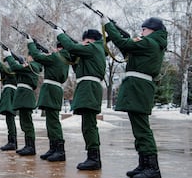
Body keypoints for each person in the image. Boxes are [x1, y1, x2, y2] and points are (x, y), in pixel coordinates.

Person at [102, 16, 167, 178]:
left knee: (142, 129)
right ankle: (144, 164)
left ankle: (152, 168)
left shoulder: (149, 42)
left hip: (139, 88)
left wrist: (108, 26)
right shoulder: (150, 44)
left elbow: (124, 44)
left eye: (144, 29)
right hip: (138, 88)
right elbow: (129, 50)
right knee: (139, 129)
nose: (141, 32)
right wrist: (119, 33)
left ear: (153, 30)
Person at [55, 28, 106, 170]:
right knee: (87, 125)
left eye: (84, 41)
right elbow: (77, 67)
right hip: (87, 87)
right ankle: (92, 156)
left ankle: (94, 159)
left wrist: (60, 34)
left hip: (89, 87)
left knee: (89, 125)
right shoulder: (93, 51)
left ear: (89, 40)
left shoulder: (93, 47)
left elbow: (72, 47)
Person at [26, 36, 70, 162]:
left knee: (53, 121)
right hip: (52, 89)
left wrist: (31, 43)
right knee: (50, 121)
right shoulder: (64, 58)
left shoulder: (57, 57)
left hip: (52, 89)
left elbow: (37, 56)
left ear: (60, 48)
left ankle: (60, 151)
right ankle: (54, 148)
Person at [2, 49, 42, 156]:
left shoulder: (33, 66)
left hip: (26, 96)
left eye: (28, 56)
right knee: (24, 123)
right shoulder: (31, 66)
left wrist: (10, 57)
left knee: (27, 123)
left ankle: (31, 147)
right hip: (23, 96)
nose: (27, 58)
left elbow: (15, 68)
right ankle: (28, 145)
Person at [0, 53, 18, 151]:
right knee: (9, 119)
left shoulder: (15, 70)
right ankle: (12, 141)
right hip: (10, 93)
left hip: (10, 93)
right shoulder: (13, 70)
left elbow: (3, 68)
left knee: (10, 118)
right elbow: (3, 69)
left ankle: (12, 142)